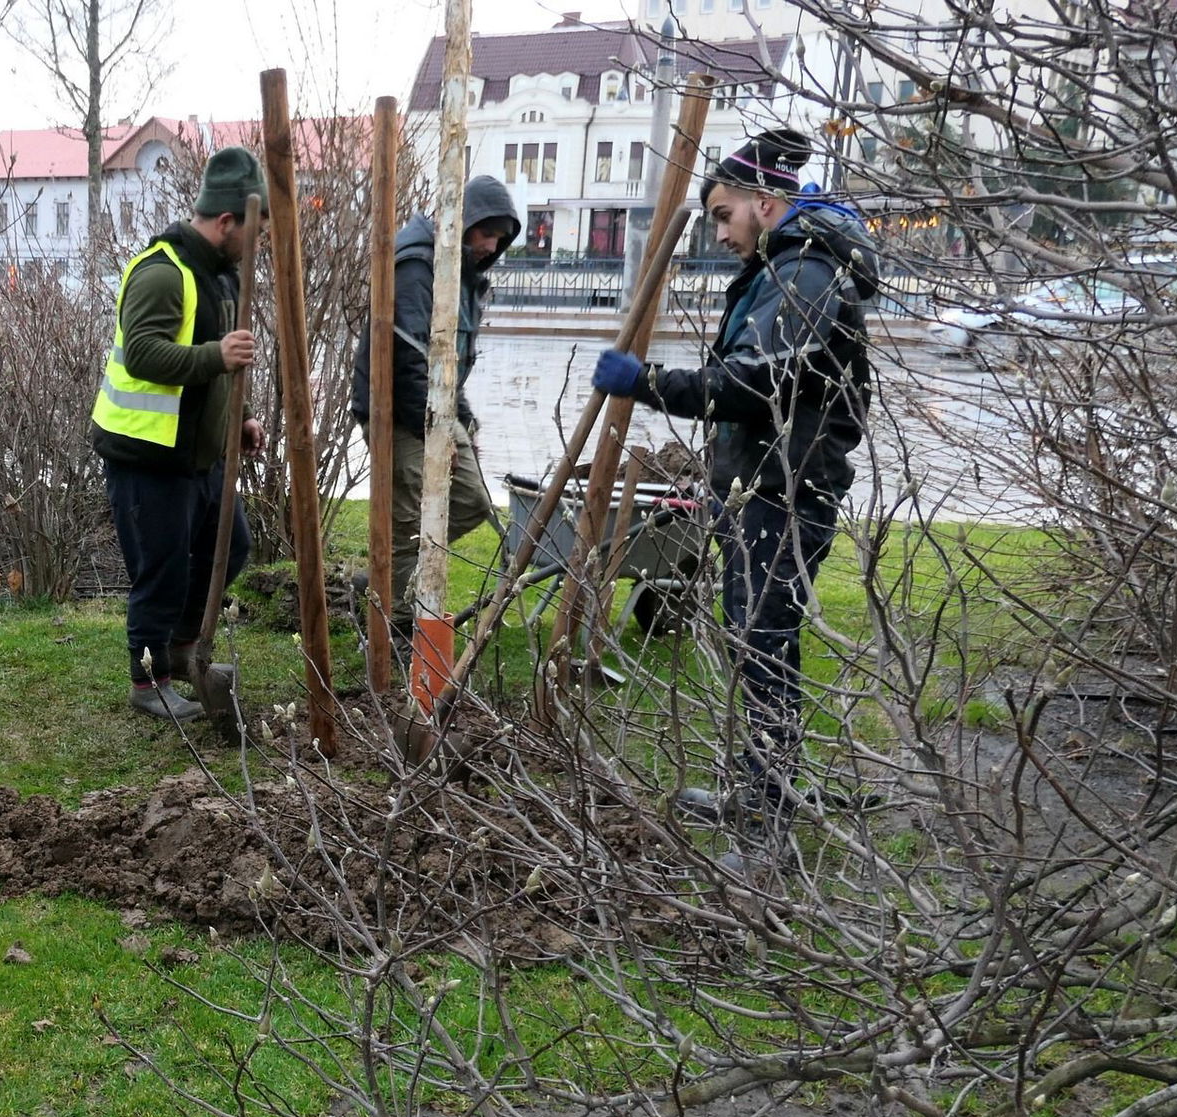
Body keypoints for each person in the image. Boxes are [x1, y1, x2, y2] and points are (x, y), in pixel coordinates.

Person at [588, 130, 881, 869]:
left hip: (786, 493)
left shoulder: (805, 276)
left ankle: (769, 825)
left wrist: (648, 383)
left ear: (764, 202)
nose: (720, 232)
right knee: (756, 644)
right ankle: (761, 790)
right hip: (762, 486)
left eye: (724, 214)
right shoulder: (782, 270)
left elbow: (755, 386)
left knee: (764, 647)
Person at [92, 146, 267, 722]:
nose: (256, 240)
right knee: (160, 572)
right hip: (147, 455)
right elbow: (143, 354)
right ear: (226, 222)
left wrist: (236, 419)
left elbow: (209, 373)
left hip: (199, 454)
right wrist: (217, 355)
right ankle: (148, 683)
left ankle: (182, 648)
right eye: (254, 227)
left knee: (232, 546)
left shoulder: (217, 278)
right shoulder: (163, 273)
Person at [350, 176, 519, 636]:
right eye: (485, 233)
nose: (491, 245)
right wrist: (437, 435)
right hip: (398, 411)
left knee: (470, 502)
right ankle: (396, 627)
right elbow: (407, 360)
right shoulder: (416, 266)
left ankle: (373, 585)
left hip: (436, 407)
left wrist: (462, 421)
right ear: (462, 223)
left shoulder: (461, 273)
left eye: (500, 238)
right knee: (408, 518)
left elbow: (448, 362)